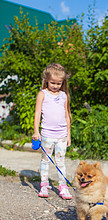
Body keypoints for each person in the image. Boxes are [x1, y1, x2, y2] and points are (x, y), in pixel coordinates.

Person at [32, 63, 72, 200]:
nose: (55, 86)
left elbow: (67, 115)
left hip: (61, 135)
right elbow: (37, 114)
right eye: (52, 83)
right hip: (47, 135)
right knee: (45, 160)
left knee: (61, 161)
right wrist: (36, 132)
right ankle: (44, 184)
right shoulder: (42, 94)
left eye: (59, 83)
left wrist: (68, 135)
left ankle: (63, 187)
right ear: (46, 80)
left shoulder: (64, 95)